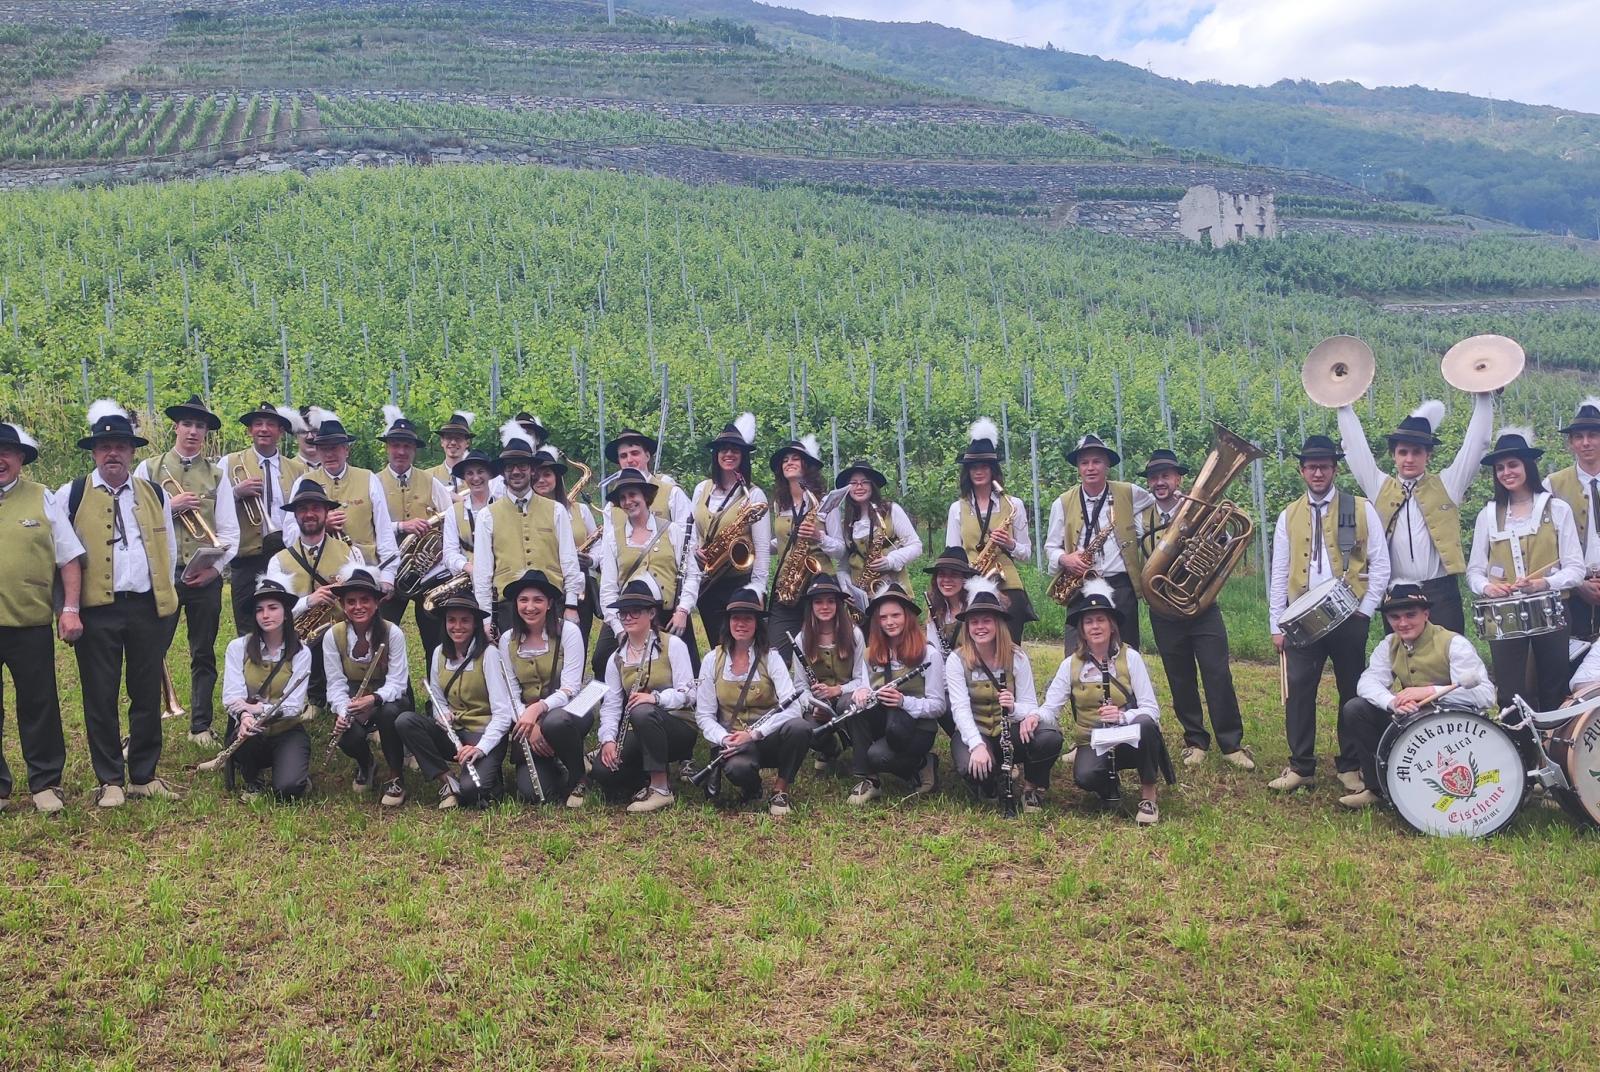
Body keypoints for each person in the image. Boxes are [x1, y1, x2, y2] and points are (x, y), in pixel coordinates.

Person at [63, 401, 181, 807]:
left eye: (121, 446)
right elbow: (62, 556)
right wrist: (70, 608)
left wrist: (164, 600)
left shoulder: (153, 493)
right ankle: (111, 779)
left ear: (132, 452)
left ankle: (144, 776)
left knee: (146, 692)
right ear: (94, 453)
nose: (113, 453)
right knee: (100, 694)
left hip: (146, 607)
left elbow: (169, 550)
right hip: (97, 610)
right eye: (105, 446)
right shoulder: (72, 493)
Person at [1268, 435, 1390, 794]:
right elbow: (1279, 570)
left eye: (1324, 466)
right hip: (1301, 618)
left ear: (1335, 469)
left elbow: (1380, 564)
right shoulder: (1288, 515)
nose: (1317, 472)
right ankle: (1300, 765)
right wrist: (1277, 622)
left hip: (1349, 615)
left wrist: (1366, 611)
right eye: (1311, 466)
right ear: (1302, 471)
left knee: (1350, 690)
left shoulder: (1359, 508)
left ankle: (1350, 764)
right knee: (1299, 692)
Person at [1337, 392, 1494, 634]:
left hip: (1441, 592)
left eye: (1417, 452)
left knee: (1447, 661)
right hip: (1397, 593)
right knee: (1403, 664)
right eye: (1403, 452)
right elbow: (1354, 449)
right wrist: (1342, 402)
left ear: (1428, 455)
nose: (1409, 459)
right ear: (1393, 455)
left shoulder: (1448, 485)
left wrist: (1484, 396)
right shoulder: (1380, 487)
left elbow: (1476, 445)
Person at [1135, 449, 1253, 770]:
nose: (1160, 482)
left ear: (1178, 479)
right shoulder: (1141, 517)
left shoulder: (1203, 510)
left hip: (1202, 606)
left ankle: (1231, 743)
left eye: (1166, 476)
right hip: (1163, 608)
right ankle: (1195, 740)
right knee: (1180, 676)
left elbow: (1226, 545)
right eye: (1154, 477)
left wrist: (1207, 535)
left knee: (1217, 673)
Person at [135, 394, 240, 747]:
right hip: (161, 577)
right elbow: (135, 521)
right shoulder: (148, 470)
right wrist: (170, 505)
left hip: (203, 576)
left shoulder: (217, 475)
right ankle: (143, 729)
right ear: (176, 427)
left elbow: (229, 532)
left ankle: (200, 725)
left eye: (200, 426)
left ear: (206, 433)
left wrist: (215, 572)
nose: (193, 431)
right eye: (187, 424)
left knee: (203, 652)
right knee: (150, 651)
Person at [1336, 583, 1496, 809]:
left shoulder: (1454, 643)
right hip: (1409, 720)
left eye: (1411, 615)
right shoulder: (1389, 645)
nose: (1402, 623)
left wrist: (1431, 691)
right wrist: (1392, 702)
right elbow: (1367, 682)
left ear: (1426, 614)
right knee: (1355, 709)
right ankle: (1377, 788)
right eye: (1395, 617)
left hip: (1453, 729)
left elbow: (1485, 696)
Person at [1466, 428, 1584, 711]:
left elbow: (1576, 569)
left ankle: (1553, 749)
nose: (1507, 472)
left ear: (1527, 467)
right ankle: (1518, 751)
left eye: (1513, 465)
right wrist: (1488, 587)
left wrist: (1544, 584)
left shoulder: (1557, 509)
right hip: (1504, 615)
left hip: (1551, 608)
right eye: (1500, 468)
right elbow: (1474, 571)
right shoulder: (1488, 515)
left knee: (1553, 687)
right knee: (1510, 693)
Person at [0, 421, 84, 814]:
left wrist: (69, 609)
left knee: (39, 704)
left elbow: (68, 558)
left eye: (7, 452)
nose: (0, 459)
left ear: (20, 458)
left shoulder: (43, 498)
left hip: (29, 623)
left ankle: (46, 782)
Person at [1041, 579, 1171, 825]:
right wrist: (1033, 718)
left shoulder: (1130, 657)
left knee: (1145, 724)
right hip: (1094, 739)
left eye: (1101, 620)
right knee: (1085, 777)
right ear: (1081, 629)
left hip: (1128, 737)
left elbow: (1151, 710)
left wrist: (1122, 717)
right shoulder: (1070, 665)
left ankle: (1148, 796)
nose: (1095, 626)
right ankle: (1107, 785)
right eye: (1088, 622)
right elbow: (1051, 708)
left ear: (1112, 626)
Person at [946, 578, 1061, 811]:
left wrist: (1015, 708)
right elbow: (959, 709)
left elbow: (1030, 704)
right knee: (969, 766)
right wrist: (977, 745)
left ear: (998, 623)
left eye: (986, 620)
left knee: (1049, 736)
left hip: (1008, 730)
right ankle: (989, 780)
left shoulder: (1017, 657)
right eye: (974, 621)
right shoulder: (956, 660)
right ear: (967, 627)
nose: (980, 627)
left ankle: (1032, 787)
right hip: (977, 732)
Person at [693, 588, 808, 816]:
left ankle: (780, 790)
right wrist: (724, 738)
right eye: (736, 618)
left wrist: (756, 734)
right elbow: (704, 715)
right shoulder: (711, 660)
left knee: (800, 727)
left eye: (748, 618)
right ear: (728, 622)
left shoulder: (771, 658)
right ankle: (753, 789)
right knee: (737, 768)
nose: (741, 623)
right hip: (735, 740)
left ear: (757, 623)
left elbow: (793, 707)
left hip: (768, 737)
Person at [397, 592, 516, 808]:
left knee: (472, 791)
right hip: (454, 734)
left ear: (475, 624)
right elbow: (438, 700)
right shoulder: (438, 653)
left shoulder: (489, 654)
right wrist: (441, 714)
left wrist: (480, 748)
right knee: (405, 721)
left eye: (465, 620)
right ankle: (447, 779)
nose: (457, 626)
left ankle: (488, 775)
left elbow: (503, 712)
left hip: (484, 734)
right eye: (452, 620)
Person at [592, 577, 699, 813]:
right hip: (640, 729)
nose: (628, 617)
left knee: (642, 710)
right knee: (602, 771)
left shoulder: (673, 645)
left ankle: (661, 789)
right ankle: (645, 782)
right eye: (623, 613)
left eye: (635, 611)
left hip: (678, 727)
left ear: (651, 613)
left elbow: (689, 693)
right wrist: (608, 739)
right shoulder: (616, 657)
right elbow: (611, 706)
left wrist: (657, 699)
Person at [1046, 432, 1156, 652]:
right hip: (1080, 585)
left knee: (1126, 652)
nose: (1090, 468)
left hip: (1120, 586)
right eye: (1084, 462)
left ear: (1107, 465)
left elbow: (1157, 502)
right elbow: (1050, 547)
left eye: (1096, 461)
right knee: (1076, 654)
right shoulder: (1063, 502)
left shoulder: (1130, 492)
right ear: (1078, 467)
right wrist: (1066, 559)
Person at [472, 419, 581, 638]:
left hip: (552, 603)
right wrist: (485, 618)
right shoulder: (487, 515)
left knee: (555, 667)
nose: (516, 471)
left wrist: (571, 604)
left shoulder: (556, 510)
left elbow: (569, 561)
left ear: (532, 470)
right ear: (503, 472)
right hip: (507, 606)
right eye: (510, 466)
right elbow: (482, 572)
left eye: (522, 465)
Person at [842, 581, 944, 804]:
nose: (889, 622)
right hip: (887, 722)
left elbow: (938, 706)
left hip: (917, 727)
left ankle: (922, 764)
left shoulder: (929, 654)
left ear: (907, 616)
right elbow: (867, 686)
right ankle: (869, 778)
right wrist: (861, 692)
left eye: (895, 615)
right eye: (883, 617)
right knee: (848, 706)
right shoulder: (870, 653)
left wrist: (903, 701)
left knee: (879, 756)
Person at [594, 467, 700, 675]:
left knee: (691, 666)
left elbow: (692, 574)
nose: (628, 501)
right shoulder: (612, 538)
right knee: (601, 660)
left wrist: (683, 610)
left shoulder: (672, 530)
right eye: (622, 498)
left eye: (633, 494)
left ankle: (674, 704)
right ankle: (618, 704)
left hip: (669, 613)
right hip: (628, 614)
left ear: (646, 496)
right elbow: (608, 588)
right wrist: (618, 628)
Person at [323, 567, 413, 807]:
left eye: (365, 600)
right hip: (354, 696)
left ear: (376, 603)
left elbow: (398, 682)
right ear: (342, 605)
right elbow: (335, 684)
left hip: (387, 697)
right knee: (344, 733)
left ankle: (396, 776)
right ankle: (366, 763)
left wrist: (373, 699)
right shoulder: (333, 636)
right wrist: (344, 711)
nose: (358, 606)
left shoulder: (392, 633)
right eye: (351, 601)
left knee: (390, 714)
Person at [215, 401, 307, 634]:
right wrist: (236, 492)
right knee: (247, 620)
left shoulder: (297, 469)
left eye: (270, 424)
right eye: (258, 424)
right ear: (249, 430)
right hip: (247, 556)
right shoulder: (229, 463)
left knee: (286, 616)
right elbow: (214, 505)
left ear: (280, 431)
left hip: (285, 553)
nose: (264, 429)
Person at [498, 569, 587, 807]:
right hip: (528, 721)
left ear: (549, 604)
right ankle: (556, 766)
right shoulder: (507, 640)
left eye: (538, 600)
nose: (530, 607)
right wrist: (528, 725)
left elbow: (571, 689)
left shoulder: (568, 632)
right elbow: (510, 692)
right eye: (523, 600)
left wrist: (537, 709)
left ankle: (579, 777)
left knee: (555, 722)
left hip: (569, 712)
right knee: (534, 794)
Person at [283, 409, 398, 592]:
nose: (329, 454)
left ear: (346, 450)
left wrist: (387, 577)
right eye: (324, 448)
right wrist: (321, 525)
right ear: (318, 451)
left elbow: (384, 531)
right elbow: (288, 536)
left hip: (365, 573)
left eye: (334, 448)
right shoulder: (304, 482)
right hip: (318, 574)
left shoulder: (368, 478)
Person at [220, 579, 313, 802]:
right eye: (259, 610)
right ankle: (253, 779)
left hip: (286, 729)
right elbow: (232, 696)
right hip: (250, 728)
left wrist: (257, 707)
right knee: (249, 733)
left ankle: (293, 772)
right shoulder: (238, 647)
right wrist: (243, 717)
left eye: (273, 608)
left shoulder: (301, 652)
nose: (265, 615)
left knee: (289, 790)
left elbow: (293, 707)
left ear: (286, 613)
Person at [945, 419, 1032, 642]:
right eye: (973, 467)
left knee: (1010, 645)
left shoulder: (1014, 504)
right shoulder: (958, 508)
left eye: (984, 466)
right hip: (972, 583)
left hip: (1007, 585)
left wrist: (1009, 544)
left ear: (993, 470)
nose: (979, 471)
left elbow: (1026, 554)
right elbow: (952, 554)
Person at [691, 413, 772, 650]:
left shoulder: (754, 495)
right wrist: (696, 549)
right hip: (708, 582)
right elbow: (695, 530)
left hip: (739, 583)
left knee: (743, 648)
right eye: (723, 449)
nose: (728, 454)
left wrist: (757, 589)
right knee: (718, 647)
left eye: (735, 450)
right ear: (716, 455)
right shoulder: (701, 489)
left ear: (743, 456)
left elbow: (763, 547)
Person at [377, 406, 450, 660]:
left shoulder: (431, 481)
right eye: (396, 445)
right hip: (387, 569)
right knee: (384, 637)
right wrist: (401, 526)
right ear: (387, 448)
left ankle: (436, 695)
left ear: (414, 450)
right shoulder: (373, 482)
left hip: (426, 572)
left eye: (407, 446)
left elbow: (449, 520)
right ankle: (397, 695)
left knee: (435, 638)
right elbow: (366, 527)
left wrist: (440, 551)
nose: (401, 452)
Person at [767, 436, 842, 659]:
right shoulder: (779, 503)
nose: (789, 462)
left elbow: (840, 549)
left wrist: (819, 536)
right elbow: (782, 540)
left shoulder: (825, 502)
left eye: (795, 459)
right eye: (785, 460)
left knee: (821, 653)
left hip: (820, 586)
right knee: (776, 654)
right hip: (788, 586)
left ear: (806, 465)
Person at [790, 573, 866, 773]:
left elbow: (862, 679)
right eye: (818, 602)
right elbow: (800, 686)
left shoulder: (855, 634)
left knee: (848, 705)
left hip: (846, 697)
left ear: (838, 605)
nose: (825, 607)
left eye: (830, 601)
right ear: (811, 606)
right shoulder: (801, 639)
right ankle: (831, 749)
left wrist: (837, 690)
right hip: (819, 703)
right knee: (809, 728)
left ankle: (862, 759)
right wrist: (813, 705)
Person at [830, 458, 920, 616]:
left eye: (864, 482)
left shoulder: (891, 510)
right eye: (853, 483)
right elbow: (843, 566)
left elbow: (916, 545)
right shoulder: (847, 523)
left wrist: (890, 561)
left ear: (872, 485)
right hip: (862, 601)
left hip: (893, 593)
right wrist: (846, 589)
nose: (859, 487)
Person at [532, 445, 600, 648]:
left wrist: (592, 559)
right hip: (544, 585)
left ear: (556, 478)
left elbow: (598, 543)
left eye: (547, 474)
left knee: (577, 642)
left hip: (579, 585)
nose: (541, 480)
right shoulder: (526, 513)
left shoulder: (581, 510)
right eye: (536, 476)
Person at [1548, 397, 1600, 643]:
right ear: (1571, 443)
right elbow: (1547, 544)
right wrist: (1579, 583)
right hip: (1574, 588)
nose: (1586, 442)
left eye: (1593, 435)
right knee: (1576, 653)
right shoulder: (1552, 484)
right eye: (1579, 437)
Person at [605, 426, 694, 524]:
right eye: (623, 456)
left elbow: (688, 535)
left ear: (647, 456)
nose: (629, 460)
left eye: (635, 453)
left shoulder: (672, 494)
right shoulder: (611, 506)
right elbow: (609, 539)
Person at [439, 448, 497, 595]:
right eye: (470, 473)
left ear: (489, 474)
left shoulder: (502, 507)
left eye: (480, 471)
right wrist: (468, 567)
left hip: (500, 581)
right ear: (464, 478)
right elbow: (449, 552)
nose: (475, 478)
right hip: (467, 583)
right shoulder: (454, 512)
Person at [423, 411, 475, 491]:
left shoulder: (476, 478)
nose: (453, 442)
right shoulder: (427, 476)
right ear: (442, 442)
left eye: (458, 438)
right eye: (449, 438)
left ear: (467, 443)